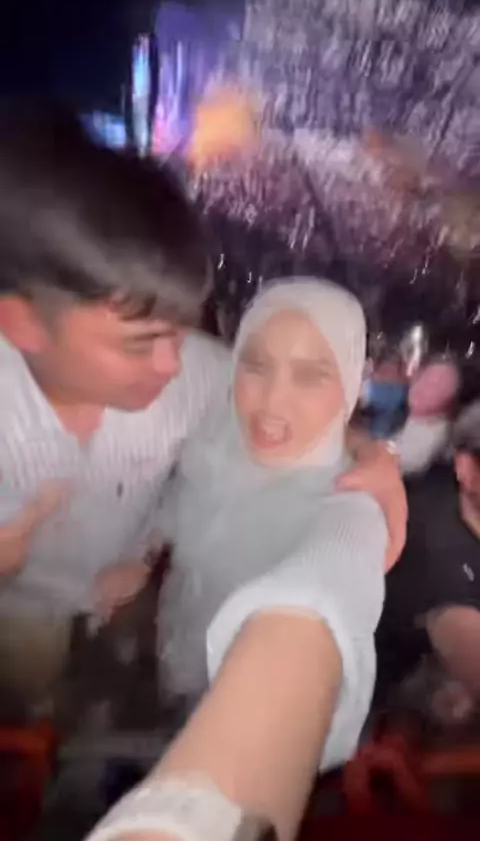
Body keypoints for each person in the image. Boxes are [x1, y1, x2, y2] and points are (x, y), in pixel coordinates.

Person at [0, 102, 403, 721]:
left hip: (126, 603)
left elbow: (279, 403)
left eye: (180, 330)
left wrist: (371, 454)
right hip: (20, 619)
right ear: (23, 324)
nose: (172, 365)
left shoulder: (193, 372)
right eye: (139, 344)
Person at [85, 277, 387, 841]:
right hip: (180, 637)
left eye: (310, 375)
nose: (270, 402)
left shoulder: (348, 501)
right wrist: (144, 556)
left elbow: (325, 588)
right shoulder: (220, 434)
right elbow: (180, 501)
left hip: (243, 683)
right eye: (256, 365)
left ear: (349, 385)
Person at [376, 399, 480, 721]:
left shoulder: (451, 491)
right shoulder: (436, 548)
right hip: (380, 704)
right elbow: (463, 636)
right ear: (466, 468)